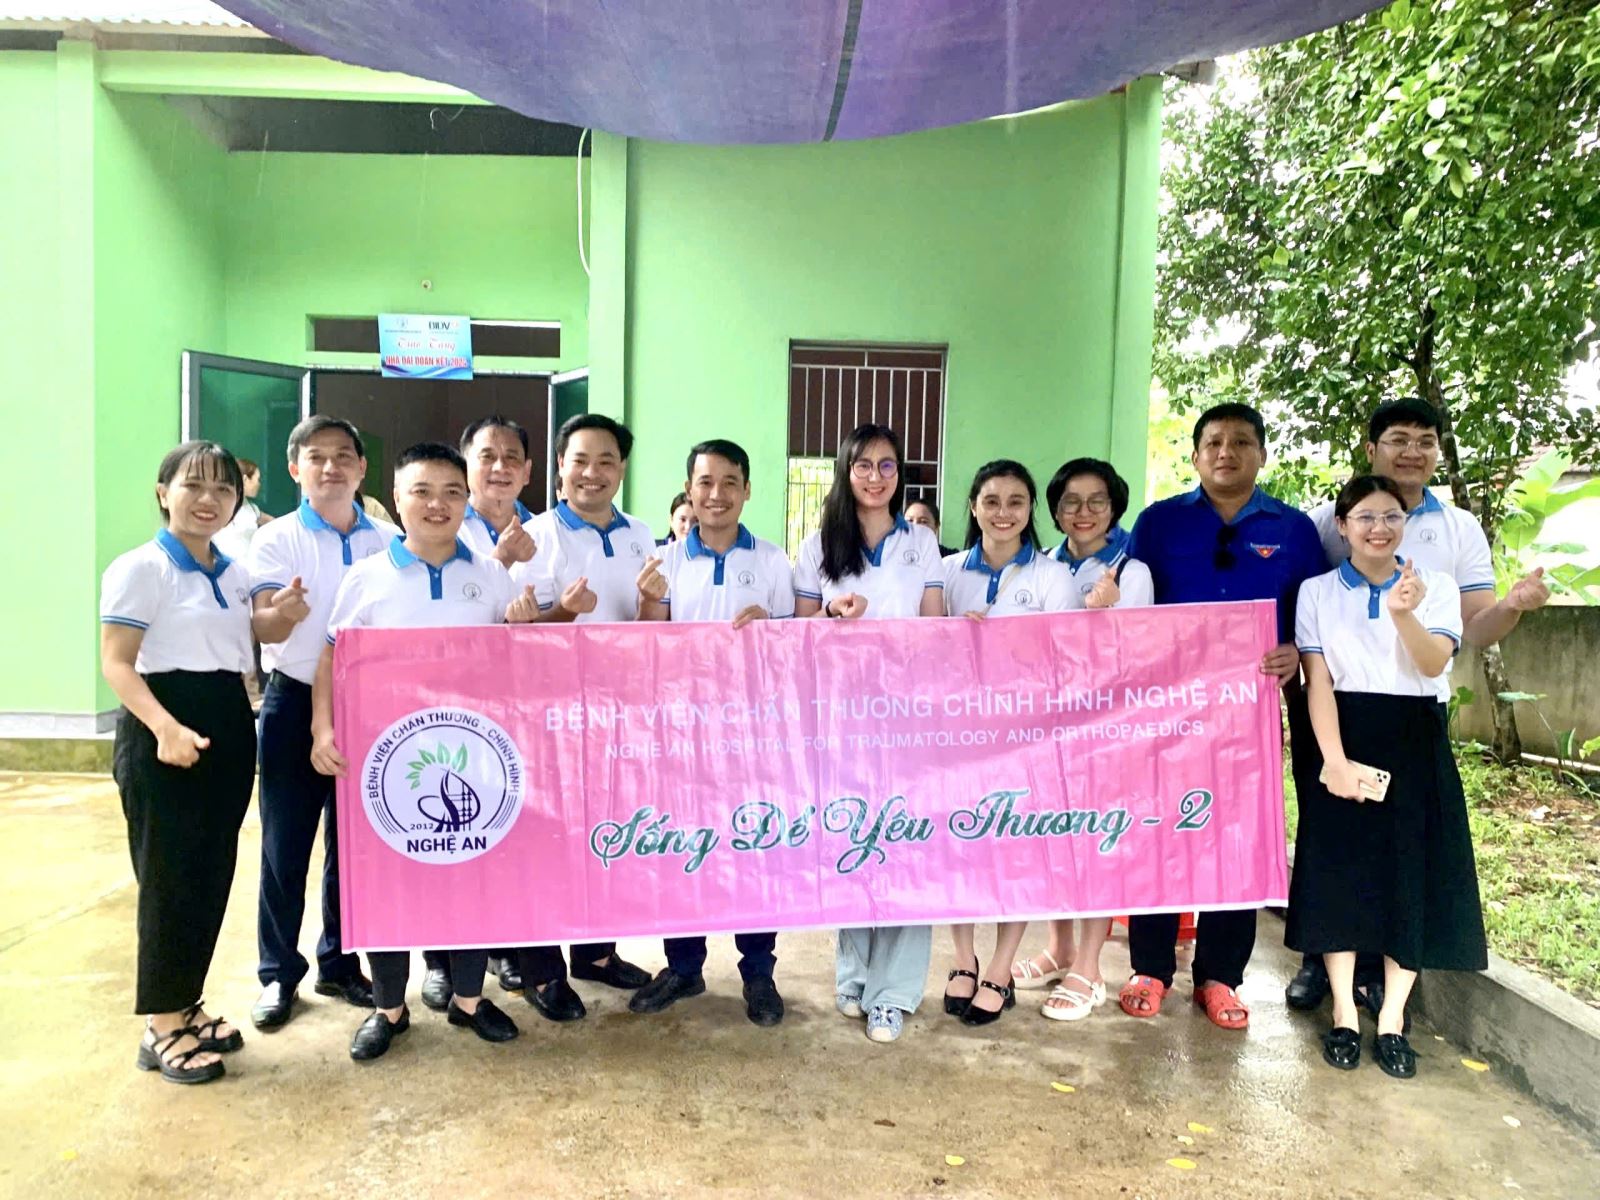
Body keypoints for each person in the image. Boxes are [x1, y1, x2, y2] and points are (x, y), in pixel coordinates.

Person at [1286, 396, 1552, 1013]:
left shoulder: (1458, 528)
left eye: (1425, 440)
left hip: (1412, 708)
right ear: (1371, 447)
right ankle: (1321, 963)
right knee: (1334, 839)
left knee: (1406, 845)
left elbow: (1471, 630)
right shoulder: (1324, 521)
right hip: (1335, 708)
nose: (1413, 451)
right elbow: (1315, 615)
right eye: (1399, 439)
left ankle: (1387, 978)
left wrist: (1512, 607)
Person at [310, 441, 543, 1061]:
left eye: (451, 493)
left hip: (474, 759)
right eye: (422, 491)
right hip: (387, 760)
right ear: (396, 498)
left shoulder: (490, 575)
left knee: (472, 875)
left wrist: (521, 630)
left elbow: (514, 664)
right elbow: (332, 657)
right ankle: (389, 1007)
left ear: (466, 500)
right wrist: (322, 731)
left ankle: (468, 1000)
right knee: (384, 880)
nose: (437, 504)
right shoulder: (366, 578)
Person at [1118, 402, 1326, 1031]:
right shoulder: (1158, 523)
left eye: (1240, 442)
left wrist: (1297, 649)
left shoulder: (1293, 529)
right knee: (1161, 826)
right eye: (1213, 442)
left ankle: (1220, 975)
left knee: (1237, 835)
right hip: (1168, 710)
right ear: (1195, 455)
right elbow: (1129, 607)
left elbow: (1317, 613)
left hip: (1249, 711)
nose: (1225, 453)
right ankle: (1150, 967)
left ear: (1261, 454)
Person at [1288, 474, 1485, 1078]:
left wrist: (1404, 613)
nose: (1379, 528)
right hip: (1344, 732)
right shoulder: (1317, 591)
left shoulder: (1435, 586)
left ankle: (1394, 1018)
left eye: (1392, 517)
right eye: (1365, 517)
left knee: (1410, 870)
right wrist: (1333, 761)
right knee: (1340, 872)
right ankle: (1345, 1012)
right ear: (1342, 526)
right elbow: (1318, 681)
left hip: (1415, 735)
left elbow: (1432, 662)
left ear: (1406, 524)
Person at [100, 441, 257, 1084]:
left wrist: (281, 616)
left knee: (210, 873)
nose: (208, 499)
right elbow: (117, 662)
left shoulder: (233, 571)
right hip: (164, 727)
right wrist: (164, 727)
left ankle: (186, 1002)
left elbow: (243, 643)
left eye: (223, 489)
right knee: (168, 879)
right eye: (194, 485)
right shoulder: (141, 568)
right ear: (164, 493)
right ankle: (162, 1027)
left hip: (226, 722)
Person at [794, 423, 945, 1044]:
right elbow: (798, 633)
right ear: (845, 470)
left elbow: (935, 628)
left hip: (910, 722)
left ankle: (894, 994)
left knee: (908, 849)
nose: (876, 476)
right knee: (854, 840)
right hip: (843, 721)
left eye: (887, 466)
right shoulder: (817, 546)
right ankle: (855, 975)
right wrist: (832, 613)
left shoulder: (922, 543)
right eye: (863, 465)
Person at [634, 439, 793, 1026]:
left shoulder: (773, 562)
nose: (717, 494)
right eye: (705, 482)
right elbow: (648, 649)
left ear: (747, 489)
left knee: (755, 850)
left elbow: (793, 651)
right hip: (683, 737)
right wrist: (648, 602)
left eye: (730, 482)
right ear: (689, 490)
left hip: (754, 738)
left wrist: (770, 628)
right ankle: (683, 967)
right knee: (684, 850)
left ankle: (759, 973)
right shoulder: (664, 562)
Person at [507, 413, 659, 1021]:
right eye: (580, 460)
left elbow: (650, 630)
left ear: (621, 469)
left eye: (606, 461)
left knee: (606, 835)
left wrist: (649, 603)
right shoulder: (535, 537)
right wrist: (565, 614)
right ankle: (541, 970)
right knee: (546, 840)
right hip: (549, 718)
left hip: (619, 717)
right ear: (559, 467)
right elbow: (514, 637)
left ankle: (595, 952)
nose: (592, 473)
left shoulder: (642, 534)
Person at [247, 417, 394, 1031]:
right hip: (293, 700)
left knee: (353, 846)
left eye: (342, 456)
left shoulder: (390, 539)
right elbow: (264, 622)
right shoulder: (274, 540)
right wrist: (282, 614)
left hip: (370, 707)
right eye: (316, 457)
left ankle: (339, 962)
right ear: (295, 469)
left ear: (362, 468)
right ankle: (278, 974)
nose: (330, 467)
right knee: (285, 846)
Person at [1012, 457, 1155, 1022]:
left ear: (1114, 507)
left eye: (1097, 500)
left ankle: (1090, 968)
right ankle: (1060, 948)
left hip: (1105, 728)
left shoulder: (1131, 572)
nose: (1084, 511)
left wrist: (1100, 617)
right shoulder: (1042, 565)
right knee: (1055, 837)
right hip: (1048, 724)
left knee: (1097, 841)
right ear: (1054, 510)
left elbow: (1134, 656)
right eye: (1070, 501)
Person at [938, 460, 1073, 1027]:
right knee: (961, 846)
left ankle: (1000, 966)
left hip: (1026, 741)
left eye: (1016, 501)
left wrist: (1006, 647)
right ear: (973, 507)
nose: (1003, 512)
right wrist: (957, 639)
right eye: (991, 501)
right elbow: (923, 651)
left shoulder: (1052, 577)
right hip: (958, 737)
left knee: (1016, 852)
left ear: (1030, 510)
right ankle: (962, 957)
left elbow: (1066, 658)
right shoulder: (947, 572)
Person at [447, 415, 539, 998]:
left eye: (511, 458)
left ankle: (505, 948)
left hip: (526, 708)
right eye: (486, 456)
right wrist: (501, 562)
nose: (499, 468)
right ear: (467, 466)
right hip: (457, 709)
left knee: (514, 832)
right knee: (455, 829)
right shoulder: (442, 526)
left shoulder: (547, 531)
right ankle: (445, 960)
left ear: (528, 471)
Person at [213, 457, 270, 561]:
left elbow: (274, 522)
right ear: (245, 480)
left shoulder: (251, 509)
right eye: (257, 479)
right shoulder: (218, 505)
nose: (259, 484)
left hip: (248, 567)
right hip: (223, 566)